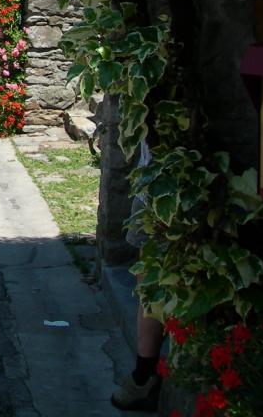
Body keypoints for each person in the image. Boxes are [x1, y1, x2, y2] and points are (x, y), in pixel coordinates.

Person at [112, 141, 165, 411]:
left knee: (149, 281)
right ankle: (144, 373)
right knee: (148, 279)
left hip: (157, 190)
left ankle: (144, 375)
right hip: (151, 188)